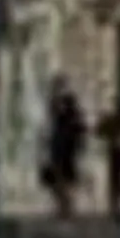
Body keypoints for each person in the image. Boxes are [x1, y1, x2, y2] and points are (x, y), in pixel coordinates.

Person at [41, 76, 87, 219]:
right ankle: (64, 207)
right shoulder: (56, 103)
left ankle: (66, 208)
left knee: (63, 177)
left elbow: (77, 124)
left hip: (65, 146)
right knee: (58, 177)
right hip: (60, 145)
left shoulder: (68, 103)